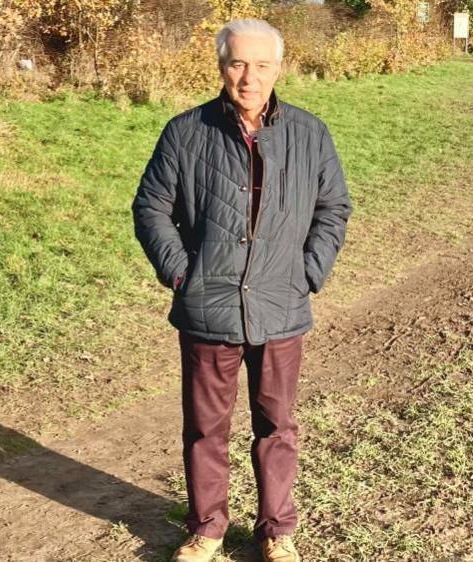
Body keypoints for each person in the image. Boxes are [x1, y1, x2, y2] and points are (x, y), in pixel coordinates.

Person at [131, 18, 352, 562]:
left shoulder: (309, 133)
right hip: (209, 306)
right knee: (206, 428)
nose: (248, 77)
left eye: (260, 65)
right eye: (237, 64)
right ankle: (206, 528)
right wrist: (184, 274)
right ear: (221, 67)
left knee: (277, 425)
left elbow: (333, 208)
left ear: (279, 68)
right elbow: (151, 208)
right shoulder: (185, 132)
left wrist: (307, 273)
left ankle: (277, 529)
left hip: (282, 305)